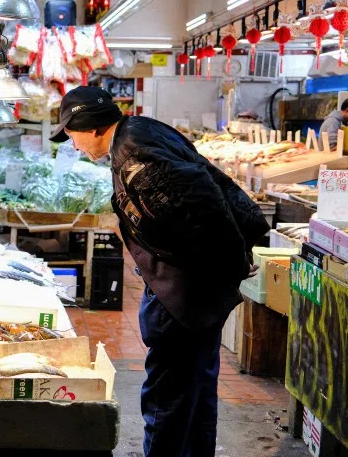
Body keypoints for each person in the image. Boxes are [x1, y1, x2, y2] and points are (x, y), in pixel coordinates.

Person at [51, 86, 269, 457]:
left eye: (71, 135)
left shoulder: (134, 154)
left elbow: (203, 206)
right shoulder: (141, 129)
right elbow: (204, 187)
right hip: (196, 291)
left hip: (184, 296)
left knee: (167, 400)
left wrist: (223, 263)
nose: (74, 146)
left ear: (88, 126)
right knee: (196, 393)